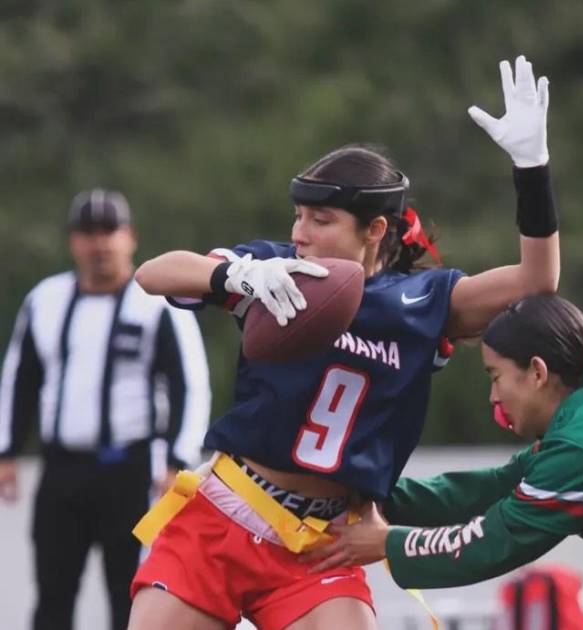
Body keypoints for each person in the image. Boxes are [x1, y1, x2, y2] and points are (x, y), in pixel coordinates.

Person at [127, 54, 560, 630]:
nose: (300, 233)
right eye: (298, 215)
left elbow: (537, 282)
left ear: (375, 228)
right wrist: (235, 276)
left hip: (323, 541)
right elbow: (152, 273)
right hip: (227, 513)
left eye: (321, 219)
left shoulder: (424, 302)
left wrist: (532, 169)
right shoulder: (277, 269)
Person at [301, 294, 583, 630]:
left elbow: (495, 541)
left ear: (537, 372)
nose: (493, 396)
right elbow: (490, 488)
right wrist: (369, 493)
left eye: (496, 376)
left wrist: (389, 543)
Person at [0, 190, 211, 630]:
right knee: (53, 595)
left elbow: (190, 383)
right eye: (88, 233)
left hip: (131, 470)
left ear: (130, 237)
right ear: (73, 241)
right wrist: (7, 449)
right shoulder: (46, 300)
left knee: (130, 595)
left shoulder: (157, 302)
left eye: (108, 232)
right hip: (63, 470)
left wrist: (179, 460)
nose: (99, 244)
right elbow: (20, 377)